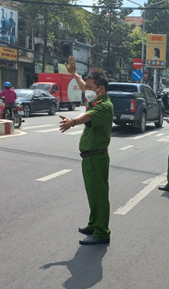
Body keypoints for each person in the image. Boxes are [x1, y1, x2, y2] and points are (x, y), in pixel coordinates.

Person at [59, 56, 113, 246]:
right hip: (90, 158)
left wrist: (73, 121)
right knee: (93, 194)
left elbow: (88, 116)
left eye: (91, 87)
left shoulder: (105, 106)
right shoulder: (96, 99)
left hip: (97, 157)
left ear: (101, 89)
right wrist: (74, 74)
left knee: (99, 195)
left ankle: (102, 232)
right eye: (88, 87)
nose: (86, 90)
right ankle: (94, 225)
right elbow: (83, 86)